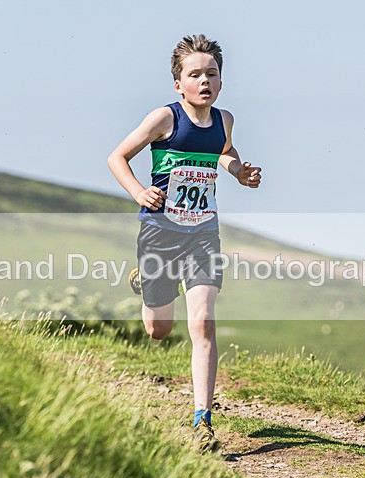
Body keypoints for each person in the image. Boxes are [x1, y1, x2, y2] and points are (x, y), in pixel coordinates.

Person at [107, 34, 262, 453]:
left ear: (221, 82)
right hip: (160, 231)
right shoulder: (164, 118)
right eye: (195, 74)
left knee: (202, 323)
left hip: (202, 233)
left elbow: (223, 151)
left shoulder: (224, 120)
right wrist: (140, 192)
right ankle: (146, 280)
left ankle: (202, 419)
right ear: (179, 84)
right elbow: (117, 157)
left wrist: (237, 171)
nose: (204, 80)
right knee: (159, 330)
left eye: (211, 73)